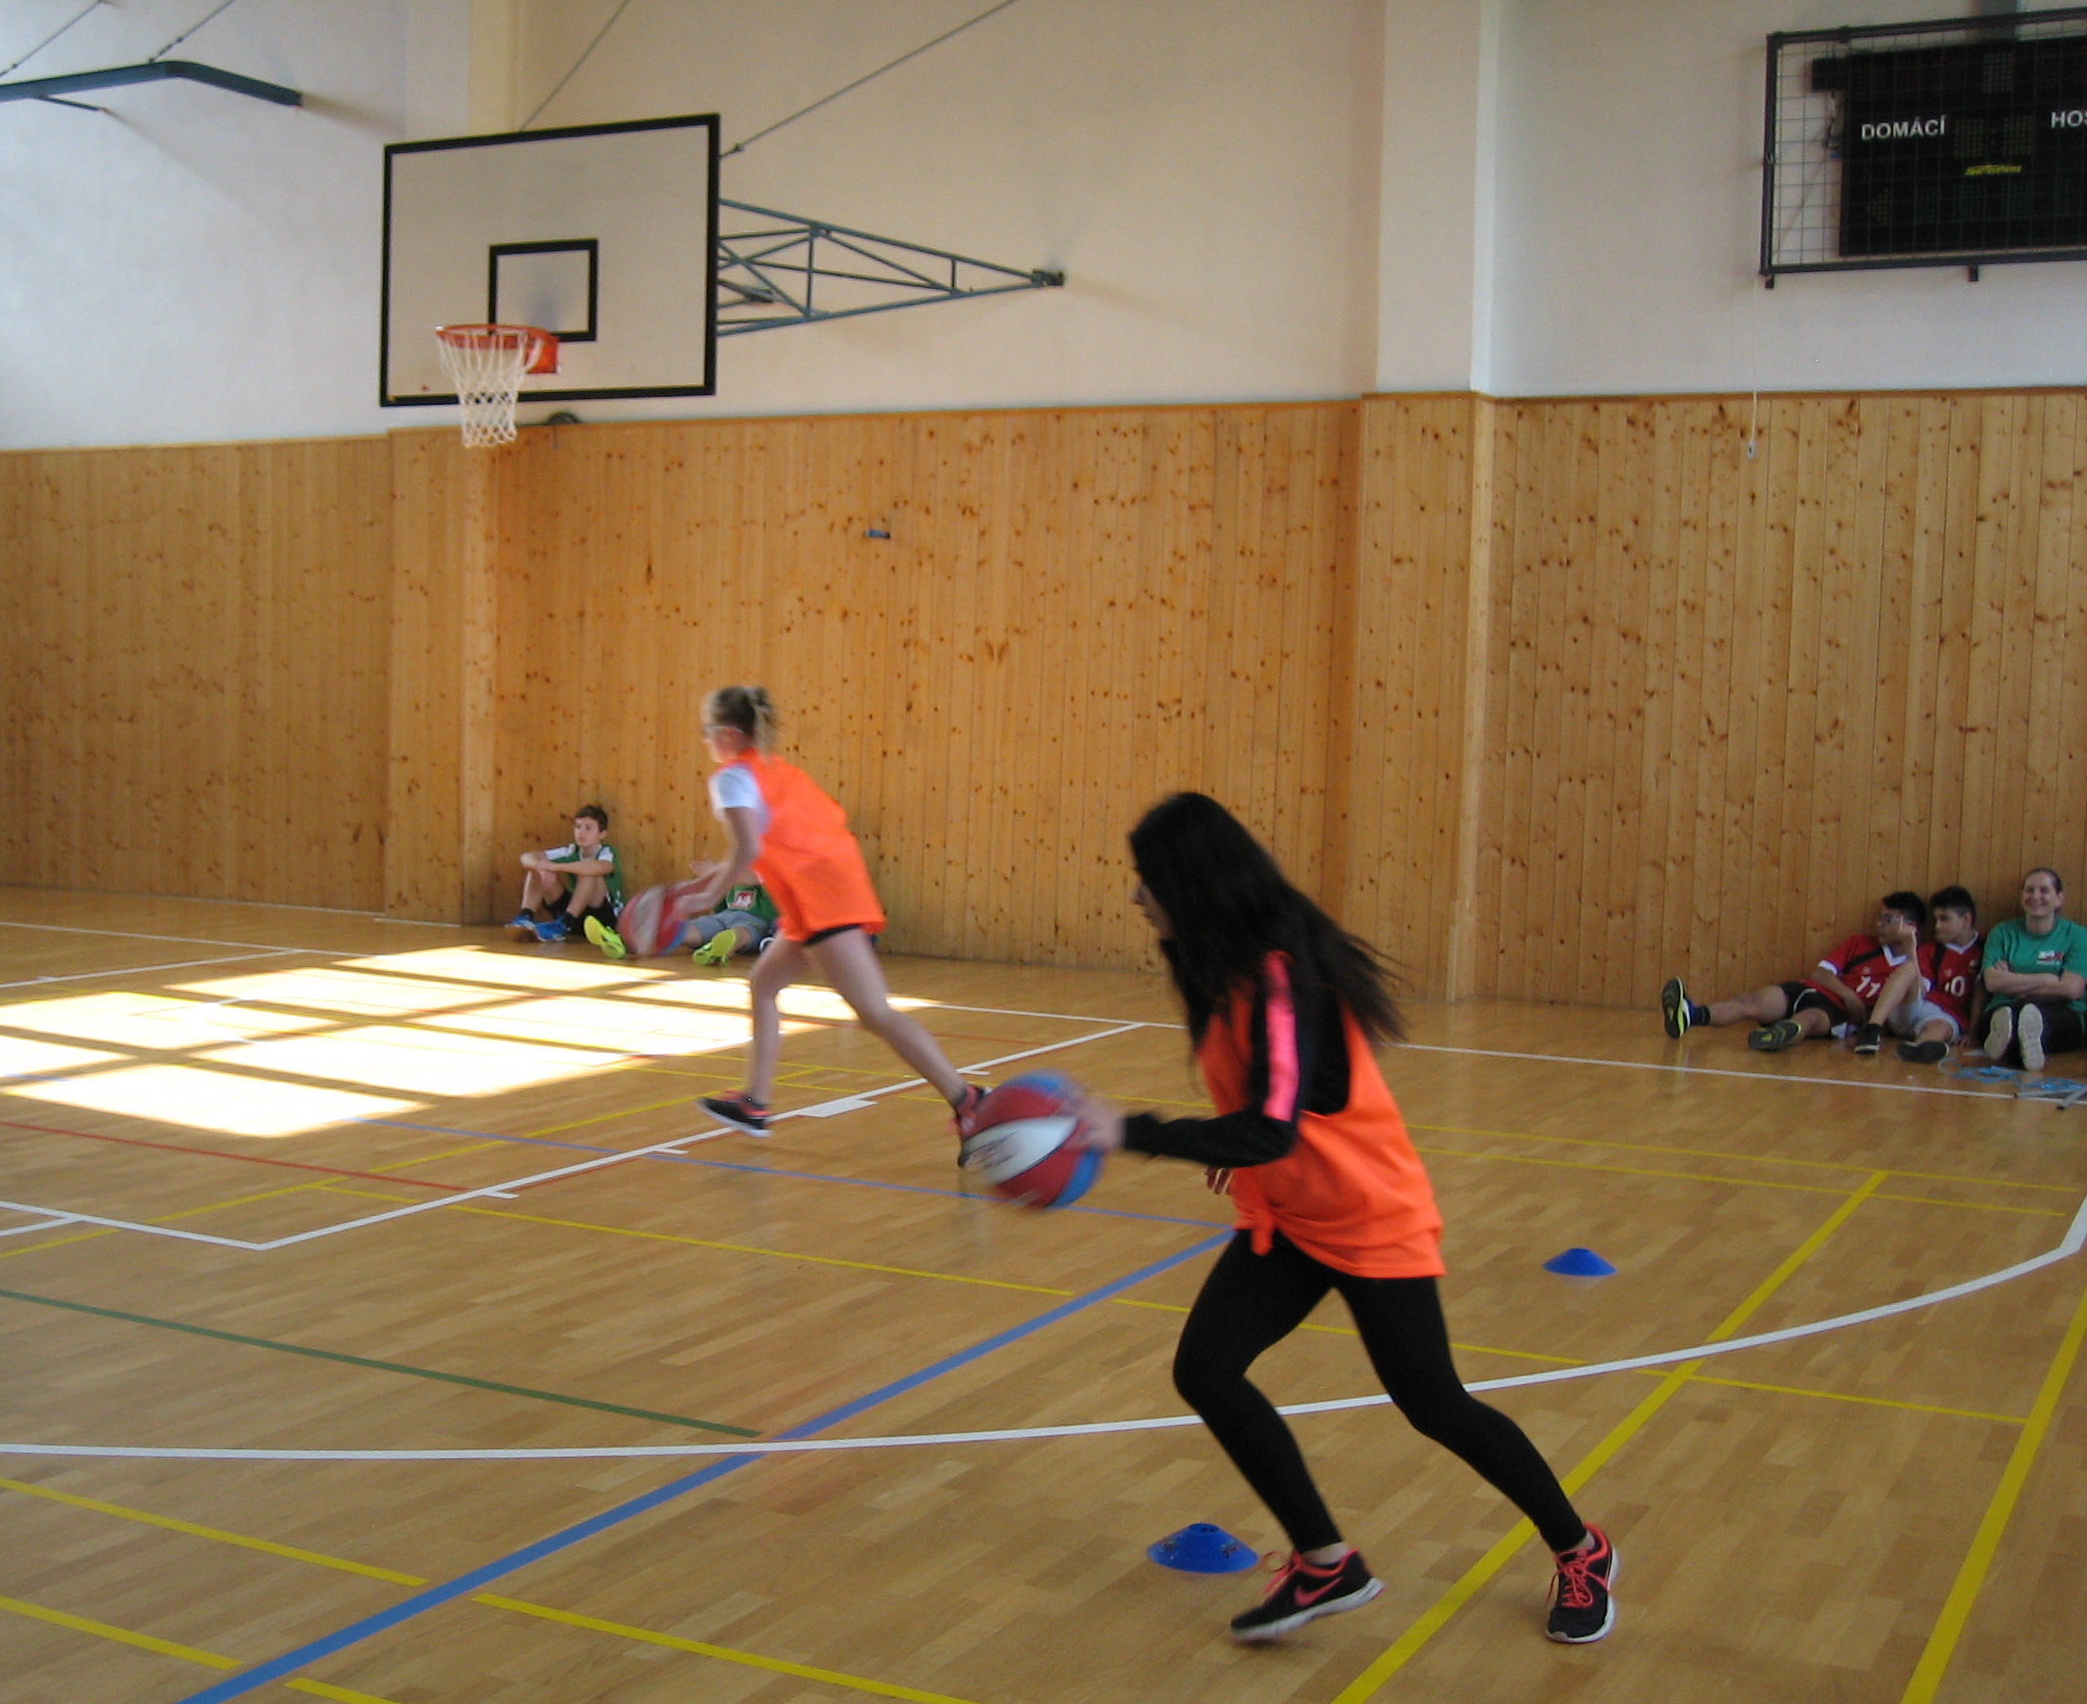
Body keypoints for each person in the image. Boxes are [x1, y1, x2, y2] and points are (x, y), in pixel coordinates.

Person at [1076, 793, 1617, 1647]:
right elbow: (1272, 1108)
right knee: (1207, 1371)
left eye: (1148, 878)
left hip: (1368, 1217)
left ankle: (1581, 1549)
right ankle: (1326, 1563)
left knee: (1435, 1405)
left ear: (1192, 882)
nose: (1136, 895)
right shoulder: (1218, 965)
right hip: (1290, 1218)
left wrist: (1129, 1131)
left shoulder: (1281, 973)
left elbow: (1274, 1124)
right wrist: (1235, 1140)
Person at [685, 686, 978, 1138]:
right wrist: (711, 880)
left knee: (874, 1012)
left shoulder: (733, 778)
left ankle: (968, 1100)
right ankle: (755, 1102)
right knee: (763, 984)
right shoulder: (777, 774)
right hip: (822, 894)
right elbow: (766, 856)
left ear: (727, 734)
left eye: (707, 731)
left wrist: (708, 894)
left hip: (822, 900)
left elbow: (748, 848)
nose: (706, 740)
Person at [1658, 893, 1925, 1053]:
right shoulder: (1859, 943)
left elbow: (1918, 999)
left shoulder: (1916, 963)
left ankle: (1777, 1037)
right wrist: (1848, 994)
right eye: (1879, 917)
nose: (1879, 924)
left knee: (1807, 1019)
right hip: (1810, 990)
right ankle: (1690, 1015)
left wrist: (1910, 947)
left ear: (1910, 926)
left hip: (1837, 1013)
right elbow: (1820, 973)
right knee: (1752, 1002)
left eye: (1889, 919)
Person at [1980, 867, 2087, 1071]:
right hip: (2005, 1007)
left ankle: (2017, 1044)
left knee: (2034, 1021)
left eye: (2044, 890)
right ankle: (2015, 1042)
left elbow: (2071, 989)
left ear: (2059, 898)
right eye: (2029, 890)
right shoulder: (2002, 932)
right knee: (2007, 1019)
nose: (2035, 897)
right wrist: (2047, 979)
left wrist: (2013, 983)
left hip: (2062, 1013)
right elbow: (1992, 982)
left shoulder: (2076, 935)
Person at [1863, 885, 1981, 1064]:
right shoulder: (1930, 950)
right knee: (1909, 969)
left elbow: (1982, 990)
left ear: (1966, 919)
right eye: (1935, 919)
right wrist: (1911, 947)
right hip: (1913, 1007)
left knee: (1940, 1027)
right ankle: (1872, 1030)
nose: (1937, 926)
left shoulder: (1985, 948)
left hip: (1946, 1017)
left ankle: (1920, 1048)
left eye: (1944, 919)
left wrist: (1973, 1032)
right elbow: (1921, 989)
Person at [584, 863, 778, 965]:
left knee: (741, 932)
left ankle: (721, 947)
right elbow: (718, 899)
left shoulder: (765, 870)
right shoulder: (733, 871)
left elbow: (751, 878)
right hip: (724, 916)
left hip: (756, 922)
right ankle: (623, 940)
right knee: (688, 929)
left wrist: (714, 871)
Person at [507, 805, 622, 944]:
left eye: (588, 828)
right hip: (573, 913)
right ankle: (526, 917)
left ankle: (564, 924)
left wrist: (556, 867)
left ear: (602, 834)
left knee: (588, 872)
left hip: (600, 918)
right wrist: (541, 867)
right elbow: (526, 857)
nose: (581, 832)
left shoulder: (607, 852)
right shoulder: (571, 850)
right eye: (578, 827)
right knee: (538, 867)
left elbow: (600, 867)